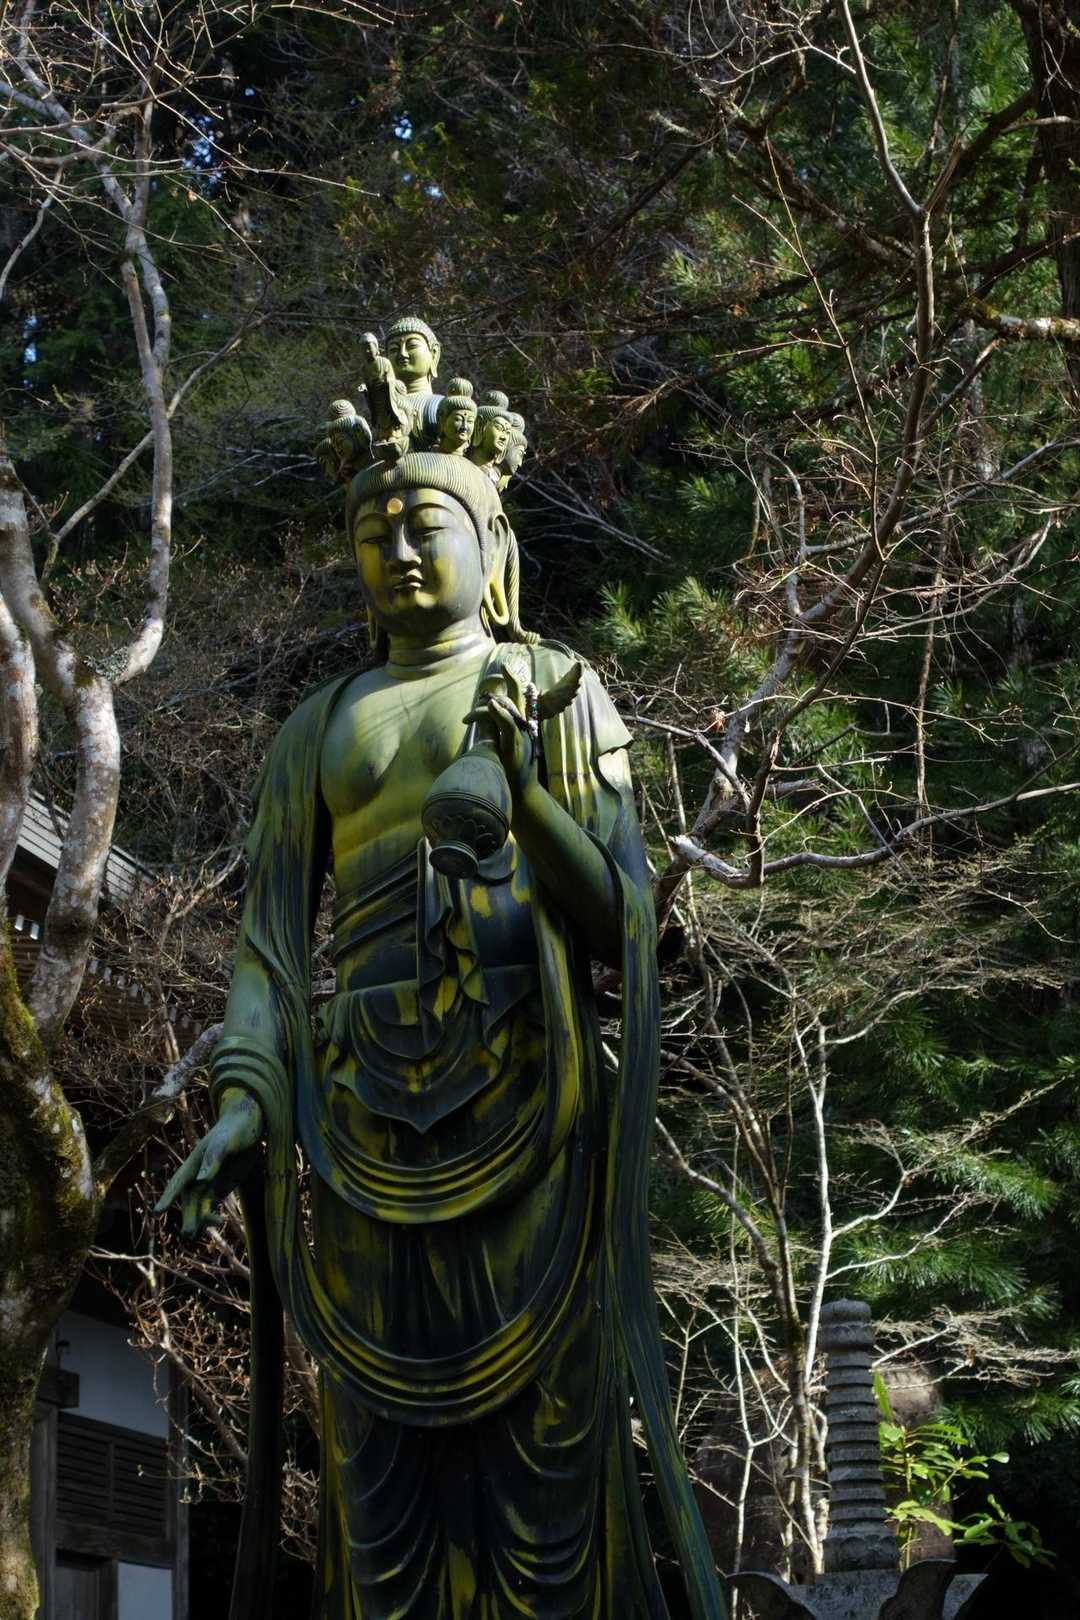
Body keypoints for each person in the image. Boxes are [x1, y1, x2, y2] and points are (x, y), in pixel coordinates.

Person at [158, 325, 724, 1620]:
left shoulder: (553, 689)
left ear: (493, 544)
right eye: (376, 534)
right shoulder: (318, 730)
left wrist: (527, 794)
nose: (401, 552)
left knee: (550, 1461)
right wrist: (243, 1102)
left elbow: (627, 920)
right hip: (359, 1122)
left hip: (527, 1096)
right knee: (377, 1468)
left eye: (428, 525)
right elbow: (269, 949)